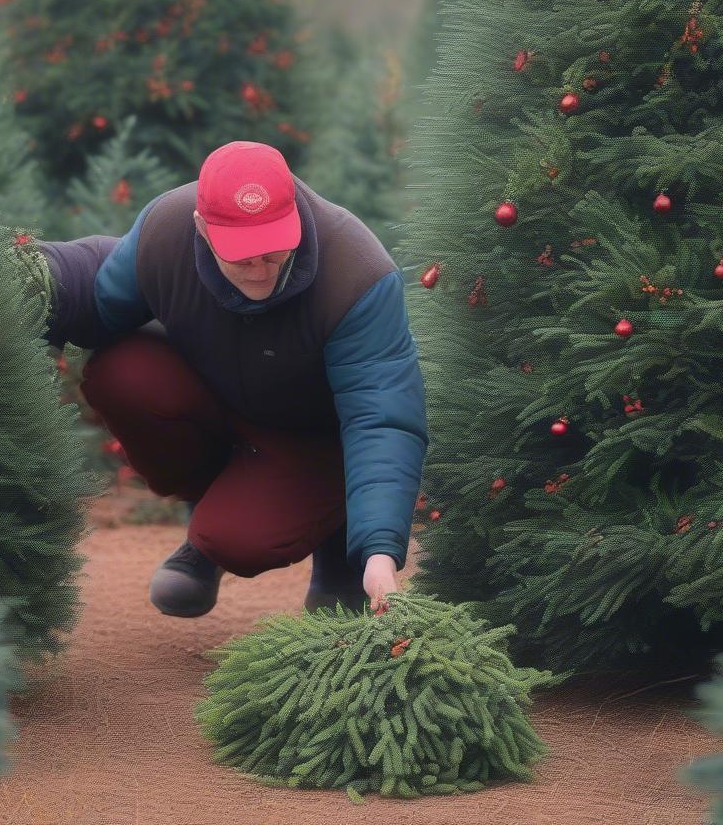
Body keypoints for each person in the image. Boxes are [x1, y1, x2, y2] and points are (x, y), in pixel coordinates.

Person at [35, 139, 428, 617]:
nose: (260, 270)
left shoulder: (358, 277)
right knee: (122, 373)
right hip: (225, 400)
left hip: (317, 441)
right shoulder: (168, 228)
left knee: (241, 541)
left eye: (273, 250)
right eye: (241, 255)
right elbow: (98, 295)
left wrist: (379, 555)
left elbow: (381, 418)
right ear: (202, 229)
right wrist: (26, 279)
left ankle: (337, 538)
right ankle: (211, 514)